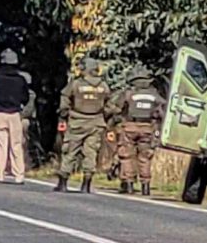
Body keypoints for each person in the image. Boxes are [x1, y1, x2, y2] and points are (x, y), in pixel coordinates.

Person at [54, 56, 112, 193]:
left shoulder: (76, 84)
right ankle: (86, 184)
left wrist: (63, 114)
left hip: (77, 121)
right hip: (96, 122)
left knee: (70, 151)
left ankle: (63, 182)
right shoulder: (103, 86)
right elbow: (109, 105)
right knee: (91, 152)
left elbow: (65, 99)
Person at [112, 65, 165, 195]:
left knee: (127, 156)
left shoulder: (129, 93)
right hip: (147, 128)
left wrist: (115, 121)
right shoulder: (155, 95)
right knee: (145, 157)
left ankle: (129, 184)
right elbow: (162, 111)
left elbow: (117, 108)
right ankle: (145, 187)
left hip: (130, 127)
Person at [0, 49, 30, 184]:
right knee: (16, 145)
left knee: (1, 145)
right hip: (15, 114)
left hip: (0, 113)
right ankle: (19, 175)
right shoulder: (21, 80)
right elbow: (25, 97)